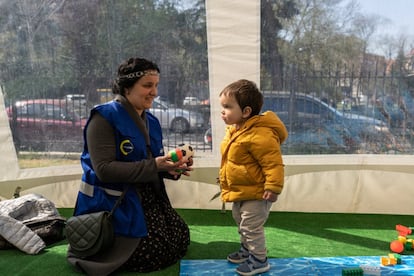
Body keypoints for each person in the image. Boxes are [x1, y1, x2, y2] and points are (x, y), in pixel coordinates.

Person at [67, 57, 191, 275]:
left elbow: (153, 164)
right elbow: (104, 170)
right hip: (114, 204)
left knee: (180, 237)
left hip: (147, 199)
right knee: (154, 252)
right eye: (147, 85)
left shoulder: (151, 121)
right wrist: (155, 166)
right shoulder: (103, 118)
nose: (154, 92)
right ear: (127, 87)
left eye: (156, 85)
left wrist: (172, 169)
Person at [218, 79, 288, 275]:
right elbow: (232, 162)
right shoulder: (235, 130)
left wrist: (273, 188)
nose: (222, 111)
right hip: (241, 190)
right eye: (222, 106)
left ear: (246, 112)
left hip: (258, 193)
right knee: (239, 220)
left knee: (250, 225)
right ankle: (247, 250)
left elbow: (273, 163)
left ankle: (259, 260)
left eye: (227, 107)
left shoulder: (260, 134)